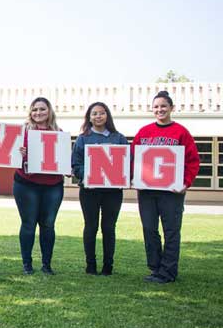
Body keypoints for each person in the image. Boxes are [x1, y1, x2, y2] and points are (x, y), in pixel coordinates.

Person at [132, 90, 200, 283]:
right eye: (156, 107)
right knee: (149, 229)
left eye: (163, 106)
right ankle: (155, 268)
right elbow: (133, 158)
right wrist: (131, 177)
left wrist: (185, 183)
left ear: (171, 108)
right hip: (147, 191)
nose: (159, 110)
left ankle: (168, 272)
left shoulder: (181, 132)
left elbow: (193, 161)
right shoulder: (144, 132)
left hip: (171, 192)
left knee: (171, 231)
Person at [71, 102, 127, 276]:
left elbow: (126, 163)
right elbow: (76, 164)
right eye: (94, 113)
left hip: (113, 192)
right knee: (91, 227)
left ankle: (108, 266)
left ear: (107, 115)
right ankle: (91, 264)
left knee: (109, 228)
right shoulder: (83, 138)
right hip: (89, 191)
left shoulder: (118, 138)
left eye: (101, 113)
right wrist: (88, 175)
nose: (98, 116)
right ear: (89, 117)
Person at [14, 97, 65, 275]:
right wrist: (18, 152)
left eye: (42, 109)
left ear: (49, 111)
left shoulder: (59, 133)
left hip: (53, 185)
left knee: (48, 225)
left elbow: (65, 161)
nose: (38, 113)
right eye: (35, 109)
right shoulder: (22, 132)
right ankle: (27, 264)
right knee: (28, 224)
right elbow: (9, 157)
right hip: (26, 184)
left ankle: (46, 264)